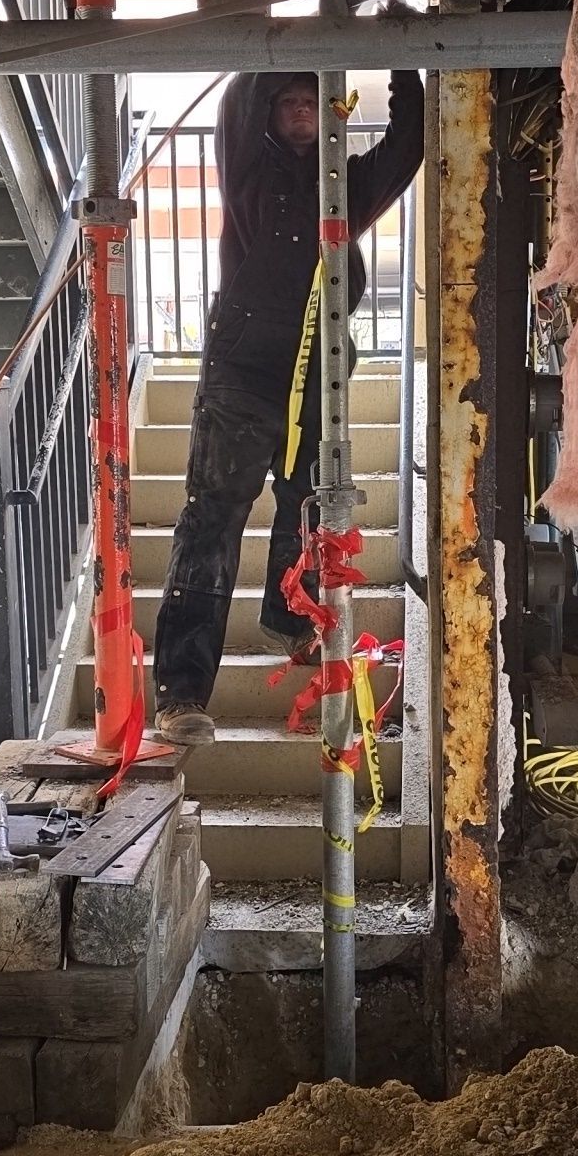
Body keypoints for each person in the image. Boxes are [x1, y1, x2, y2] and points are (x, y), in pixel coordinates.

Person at [152, 65, 425, 744]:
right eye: (289, 104)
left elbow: (406, 145)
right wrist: (295, 39)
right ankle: (182, 696)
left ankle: (292, 620)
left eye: (311, 103)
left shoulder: (347, 187)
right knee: (212, 522)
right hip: (243, 372)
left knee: (305, 512)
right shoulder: (250, 172)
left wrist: (398, 61)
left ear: (329, 114)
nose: (301, 113)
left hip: (316, 378)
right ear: (270, 114)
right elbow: (240, 99)